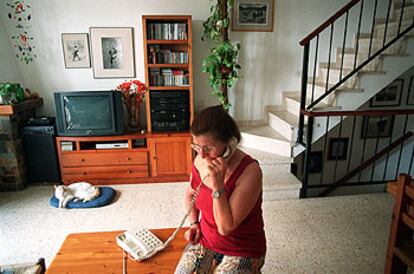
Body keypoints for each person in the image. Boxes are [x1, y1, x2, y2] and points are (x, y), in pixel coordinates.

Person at [175, 105, 266, 274]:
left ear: (230, 143)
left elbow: (225, 228)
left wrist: (218, 185)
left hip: (242, 248)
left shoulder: (250, 171)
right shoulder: (200, 160)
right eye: (196, 147)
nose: (201, 155)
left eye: (208, 148)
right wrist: (194, 223)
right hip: (207, 241)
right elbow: (190, 194)